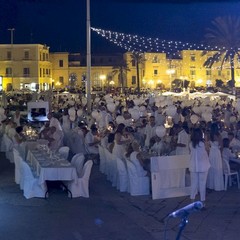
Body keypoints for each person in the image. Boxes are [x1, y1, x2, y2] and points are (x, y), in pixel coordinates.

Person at [189, 128, 210, 206]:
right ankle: (202, 202)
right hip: (203, 165)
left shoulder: (191, 143)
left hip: (193, 165)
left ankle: (192, 201)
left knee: (193, 184)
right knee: (202, 184)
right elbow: (208, 151)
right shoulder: (203, 143)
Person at [207, 123, 224, 191]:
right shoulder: (218, 135)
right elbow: (221, 145)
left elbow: (208, 144)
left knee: (212, 167)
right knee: (217, 167)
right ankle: (217, 185)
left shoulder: (209, 135)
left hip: (212, 152)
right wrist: (221, 153)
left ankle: (211, 185)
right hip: (216, 152)